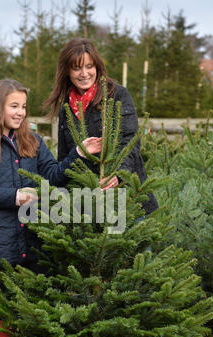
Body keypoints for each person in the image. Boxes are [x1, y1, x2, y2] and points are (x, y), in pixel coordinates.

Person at [0, 78, 102, 337]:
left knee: (30, 296)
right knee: (7, 299)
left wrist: (79, 152)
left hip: (33, 234)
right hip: (0, 234)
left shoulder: (34, 142)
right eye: (14, 106)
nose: (20, 112)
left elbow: (53, 175)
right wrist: (14, 197)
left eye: (23, 107)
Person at [44, 37, 158, 214]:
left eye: (89, 66)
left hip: (127, 201)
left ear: (97, 66)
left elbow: (130, 143)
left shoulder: (118, 95)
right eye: (77, 68)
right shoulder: (66, 106)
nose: (84, 73)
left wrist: (118, 175)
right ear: (67, 71)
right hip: (85, 206)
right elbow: (64, 156)